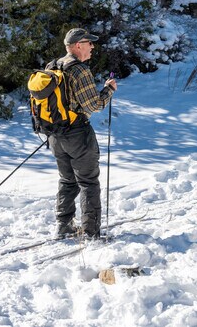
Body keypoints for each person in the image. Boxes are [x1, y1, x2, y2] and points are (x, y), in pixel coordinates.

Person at [49, 27, 117, 239]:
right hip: (78, 134)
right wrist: (109, 90)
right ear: (78, 45)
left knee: (67, 180)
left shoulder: (53, 66)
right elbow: (94, 105)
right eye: (89, 43)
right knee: (88, 182)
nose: (92, 47)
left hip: (55, 135)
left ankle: (64, 225)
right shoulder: (79, 70)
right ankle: (91, 232)